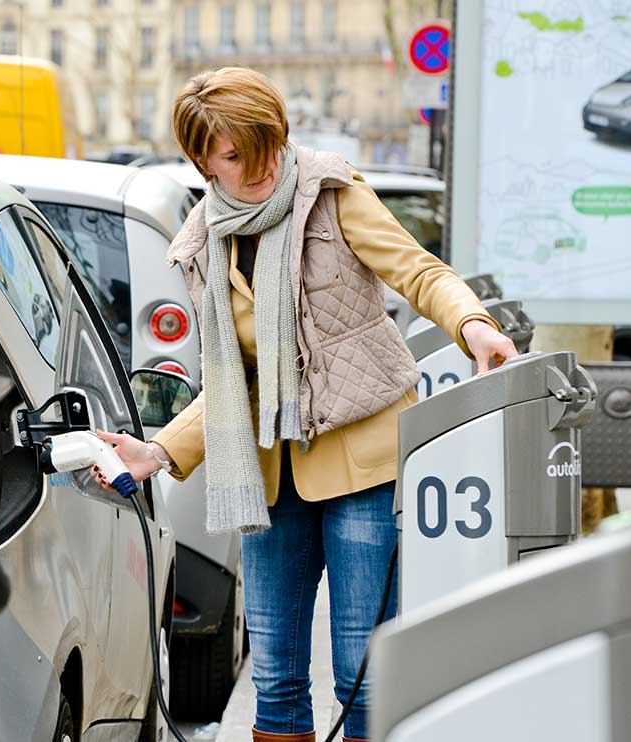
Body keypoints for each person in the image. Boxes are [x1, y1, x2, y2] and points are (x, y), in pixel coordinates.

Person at [93, 68, 518, 742]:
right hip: (268, 474)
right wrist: (158, 452)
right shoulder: (204, 241)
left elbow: (418, 270)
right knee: (278, 675)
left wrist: (471, 323)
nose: (257, 167)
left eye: (263, 146)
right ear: (203, 160)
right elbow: (231, 380)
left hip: (363, 464)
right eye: (235, 156)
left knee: (362, 671)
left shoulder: (331, 191)